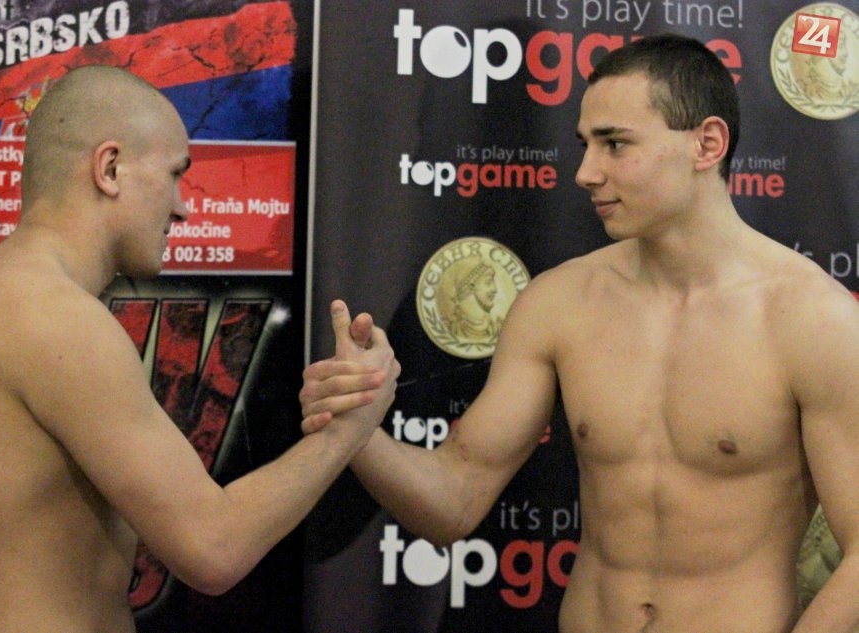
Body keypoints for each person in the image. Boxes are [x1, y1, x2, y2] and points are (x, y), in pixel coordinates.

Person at [301, 34, 859, 633]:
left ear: (707, 144)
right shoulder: (559, 303)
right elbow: (455, 499)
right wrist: (358, 429)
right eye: (585, 145)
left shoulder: (813, 320)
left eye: (615, 144)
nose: (586, 172)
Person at [0, 65, 399, 633]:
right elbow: (214, 547)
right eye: (173, 175)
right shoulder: (53, 316)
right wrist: (350, 425)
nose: (182, 207)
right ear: (110, 168)